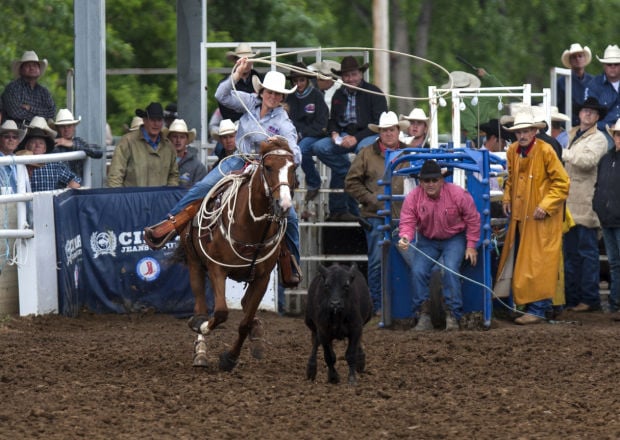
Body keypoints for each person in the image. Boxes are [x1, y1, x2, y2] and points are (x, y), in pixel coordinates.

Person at [144, 60, 302, 288]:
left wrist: (276, 148)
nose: (273, 97)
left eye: (278, 94)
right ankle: (170, 224)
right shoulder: (249, 101)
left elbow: (295, 154)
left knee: (292, 216)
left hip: (264, 169)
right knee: (202, 187)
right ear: (263, 91)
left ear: (282, 98)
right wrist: (237, 74)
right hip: (240, 159)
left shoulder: (283, 122)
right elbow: (222, 94)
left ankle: (292, 263)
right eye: (270, 92)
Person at [495, 108, 570, 325]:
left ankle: (538, 309)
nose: (522, 135)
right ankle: (531, 307)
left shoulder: (546, 151)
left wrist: (546, 205)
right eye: (519, 132)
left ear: (534, 131)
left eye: (526, 131)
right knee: (525, 262)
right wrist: (507, 198)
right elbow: (509, 178)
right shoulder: (513, 152)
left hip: (540, 218)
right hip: (521, 217)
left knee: (539, 263)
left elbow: (562, 182)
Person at [397, 160, 481, 331]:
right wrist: (405, 237)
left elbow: (473, 219)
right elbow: (407, 221)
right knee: (418, 270)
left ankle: (453, 315)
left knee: (450, 269)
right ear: (420, 182)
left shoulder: (458, 194)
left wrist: (471, 245)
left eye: (434, 180)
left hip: (454, 238)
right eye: (426, 181)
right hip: (428, 239)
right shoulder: (413, 197)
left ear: (442, 180)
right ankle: (423, 314)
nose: (430, 184)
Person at [345, 111, 409, 314]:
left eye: (391, 130)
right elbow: (351, 182)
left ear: (398, 131)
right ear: (379, 132)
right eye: (385, 130)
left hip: (404, 217)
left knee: (407, 261)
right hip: (375, 216)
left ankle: (402, 307)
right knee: (376, 263)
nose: (388, 133)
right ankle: (377, 306)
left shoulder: (410, 153)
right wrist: (373, 200)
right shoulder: (366, 153)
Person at [309, 56, 388, 221]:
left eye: (353, 75)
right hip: (344, 135)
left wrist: (356, 138)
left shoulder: (374, 92)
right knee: (319, 147)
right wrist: (334, 133)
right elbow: (333, 120)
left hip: (368, 134)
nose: (350, 79)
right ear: (342, 77)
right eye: (346, 76)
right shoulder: (339, 94)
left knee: (362, 150)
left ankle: (348, 184)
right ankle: (350, 173)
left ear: (361, 74)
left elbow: (380, 122)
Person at [562, 97, 608, 311]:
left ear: (598, 117)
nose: (588, 114)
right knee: (571, 254)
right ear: (579, 113)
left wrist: (563, 153)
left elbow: (588, 162)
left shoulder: (599, 139)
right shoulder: (571, 134)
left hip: (585, 202)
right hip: (568, 203)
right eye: (585, 111)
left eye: (592, 112)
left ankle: (589, 299)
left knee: (586, 253)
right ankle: (573, 298)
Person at [107, 102, 178, 188]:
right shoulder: (127, 141)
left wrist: (168, 197)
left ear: (162, 122)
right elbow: (115, 176)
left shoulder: (168, 147)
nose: (156, 123)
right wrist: (119, 199)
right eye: (152, 119)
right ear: (144, 120)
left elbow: (173, 176)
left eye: (159, 120)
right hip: (132, 200)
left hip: (160, 200)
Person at [286, 62, 329, 202]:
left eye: (302, 80)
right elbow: (288, 120)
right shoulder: (289, 97)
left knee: (302, 149)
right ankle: (291, 179)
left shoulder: (317, 96)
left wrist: (302, 133)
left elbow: (322, 122)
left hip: (315, 135)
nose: (299, 83)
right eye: (295, 81)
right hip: (295, 135)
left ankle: (313, 182)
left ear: (307, 80)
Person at [593, 120, 620, 317]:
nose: (619, 138)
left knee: (616, 263)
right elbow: (599, 186)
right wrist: (599, 205)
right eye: (617, 134)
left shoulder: (606, 159)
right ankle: (615, 302)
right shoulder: (605, 159)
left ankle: (615, 302)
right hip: (609, 219)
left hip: (612, 218)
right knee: (614, 263)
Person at [17, 116, 80, 192]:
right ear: (26, 146)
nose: (37, 145)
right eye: (34, 142)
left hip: (50, 202)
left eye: (41, 143)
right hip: (25, 202)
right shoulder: (19, 162)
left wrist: (65, 191)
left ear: (45, 149)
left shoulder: (54, 164)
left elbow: (76, 180)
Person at [1, 51, 56, 126]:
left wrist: (30, 108)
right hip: (16, 134)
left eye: (35, 65)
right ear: (21, 70)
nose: (32, 68)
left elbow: (51, 113)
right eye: (28, 65)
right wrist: (41, 117)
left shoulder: (44, 92)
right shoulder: (12, 88)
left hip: (40, 133)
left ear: (39, 70)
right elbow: (15, 113)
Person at [51, 108, 103, 180]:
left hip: (80, 187)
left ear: (74, 127)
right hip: (61, 188)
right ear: (57, 128)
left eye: (69, 126)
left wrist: (72, 144)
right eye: (62, 126)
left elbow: (99, 151)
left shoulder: (78, 141)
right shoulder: (52, 145)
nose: (66, 129)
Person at [217, 43, 262, 122]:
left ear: (253, 61)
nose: (245, 62)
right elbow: (225, 110)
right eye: (242, 59)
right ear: (235, 61)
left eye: (248, 59)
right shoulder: (226, 84)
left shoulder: (262, 82)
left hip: (258, 126)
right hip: (234, 129)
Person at [585, 44, 620, 137]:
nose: (613, 67)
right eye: (609, 64)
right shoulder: (594, 85)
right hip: (602, 133)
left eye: (616, 64)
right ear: (604, 65)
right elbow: (589, 116)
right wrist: (609, 127)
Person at [557, 43, 594, 126]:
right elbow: (556, 107)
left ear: (585, 59)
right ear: (570, 61)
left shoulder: (593, 81)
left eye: (580, 56)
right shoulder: (561, 81)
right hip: (567, 126)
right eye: (574, 57)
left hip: (589, 126)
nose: (577, 59)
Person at [162, 119, 206, 188]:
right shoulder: (160, 162)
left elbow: (199, 193)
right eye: (174, 136)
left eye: (182, 137)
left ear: (187, 140)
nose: (178, 140)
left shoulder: (197, 167)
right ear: (168, 139)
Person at [0, 120, 27, 193]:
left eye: (14, 137)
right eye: (7, 136)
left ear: (18, 142)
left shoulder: (20, 161)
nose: (11, 139)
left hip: (19, 203)